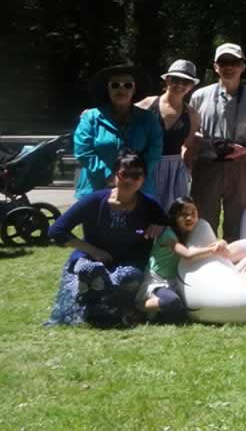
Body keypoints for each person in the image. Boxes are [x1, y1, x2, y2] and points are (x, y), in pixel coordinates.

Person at [46, 150, 170, 327]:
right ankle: (87, 311)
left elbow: (172, 223)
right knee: (88, 271)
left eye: (136, 175)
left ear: (143, 178)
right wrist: (93, 251)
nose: (130, 180)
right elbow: (56, 230)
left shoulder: (150, 205)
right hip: (91, 258)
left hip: (128, 262)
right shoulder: (94, 200)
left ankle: (107, 312)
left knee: (128, 277)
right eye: (125, 174)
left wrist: (161, 224)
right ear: (114, 176)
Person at [189, 43, 246, 240]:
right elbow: (190, 132)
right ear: (215, 66)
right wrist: (206, 142)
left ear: (242, 66)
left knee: (238, 220)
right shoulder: (200, 96)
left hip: (241, 164)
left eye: (234, 62)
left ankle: (236, 257)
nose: (229, 67)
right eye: (223, 62)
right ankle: (204, 255)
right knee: (203, 219)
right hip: (207, 164)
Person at [75, 63, 165, 200]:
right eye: (115, 85)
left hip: (138, 188)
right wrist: (109, 175)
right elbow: (83, 151)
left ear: (134, 89)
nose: (121, 89)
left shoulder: (148, 119)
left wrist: (134, 176)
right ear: (108, 89)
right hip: (96, 188)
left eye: (127, 85)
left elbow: (155, 152)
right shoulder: (90, 117)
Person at [142, 196, 218, 323]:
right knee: (173, 302)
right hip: (157, 281)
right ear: (174, 217)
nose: (189, 218)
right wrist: (213, 249)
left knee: (185, 309)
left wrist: (220, 243)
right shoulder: (168, 235)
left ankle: (160, 312)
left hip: (175, 282)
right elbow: (187, 255)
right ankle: (140, 306)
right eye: (183, 214)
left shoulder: (190, 232)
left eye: (193, 213)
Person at [136, 60, 201, 210]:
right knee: (144, 209)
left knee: (174, 212)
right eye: (175, 79)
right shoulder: (148, 104)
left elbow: (189, 145)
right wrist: (93, 113)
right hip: (146, 165)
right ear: (167, 80)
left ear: (191, 86)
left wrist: (186, 171)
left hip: (175, 170)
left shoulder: (192, 114)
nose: (180, 85)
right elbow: (122, 114)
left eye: (186, 81)